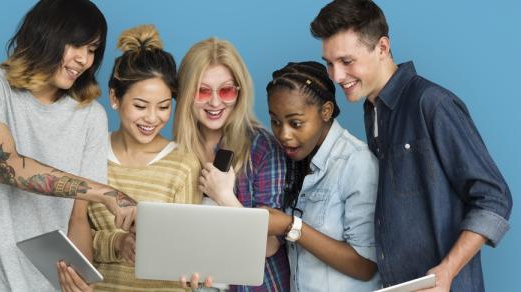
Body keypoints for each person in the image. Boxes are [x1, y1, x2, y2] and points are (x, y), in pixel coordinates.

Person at [310, 0, 513, 291]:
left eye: (346, 61)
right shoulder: (373, 109)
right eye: (329, 64)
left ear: (382, 48)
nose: (337, 77)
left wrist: (447, 270)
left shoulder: (432, 104)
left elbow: (494, 197)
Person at [0, 1, 136, 291]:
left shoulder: (90, 116)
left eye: (92, 50)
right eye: (77, 45)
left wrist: (80, 282)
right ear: (45, 34)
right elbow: (8, 167)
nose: (84, 60)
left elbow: (78, 218)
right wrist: (109, 194)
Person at [62, 24, 204, 292]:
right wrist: (118, 244)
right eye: (140, 106)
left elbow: (185, 249)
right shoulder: (89, 152)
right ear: (115, 98)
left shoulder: (183, 164)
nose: (152, 118)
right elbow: (70, 231)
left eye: (164, 107)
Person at [175, 37, 290, 292]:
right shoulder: (175, 152)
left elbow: (270, 246)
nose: (215, 103)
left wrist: (225, 197)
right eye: (202, 91)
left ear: (239, 92)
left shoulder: (262, 148)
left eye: (226, 90)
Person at [264, 61, 381, 291]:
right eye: (275, 122)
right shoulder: (292, 160)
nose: (283, 134)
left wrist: (290, 226)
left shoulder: (357, 163)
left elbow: (365, 266)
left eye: (295, 123)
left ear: (326, 111)